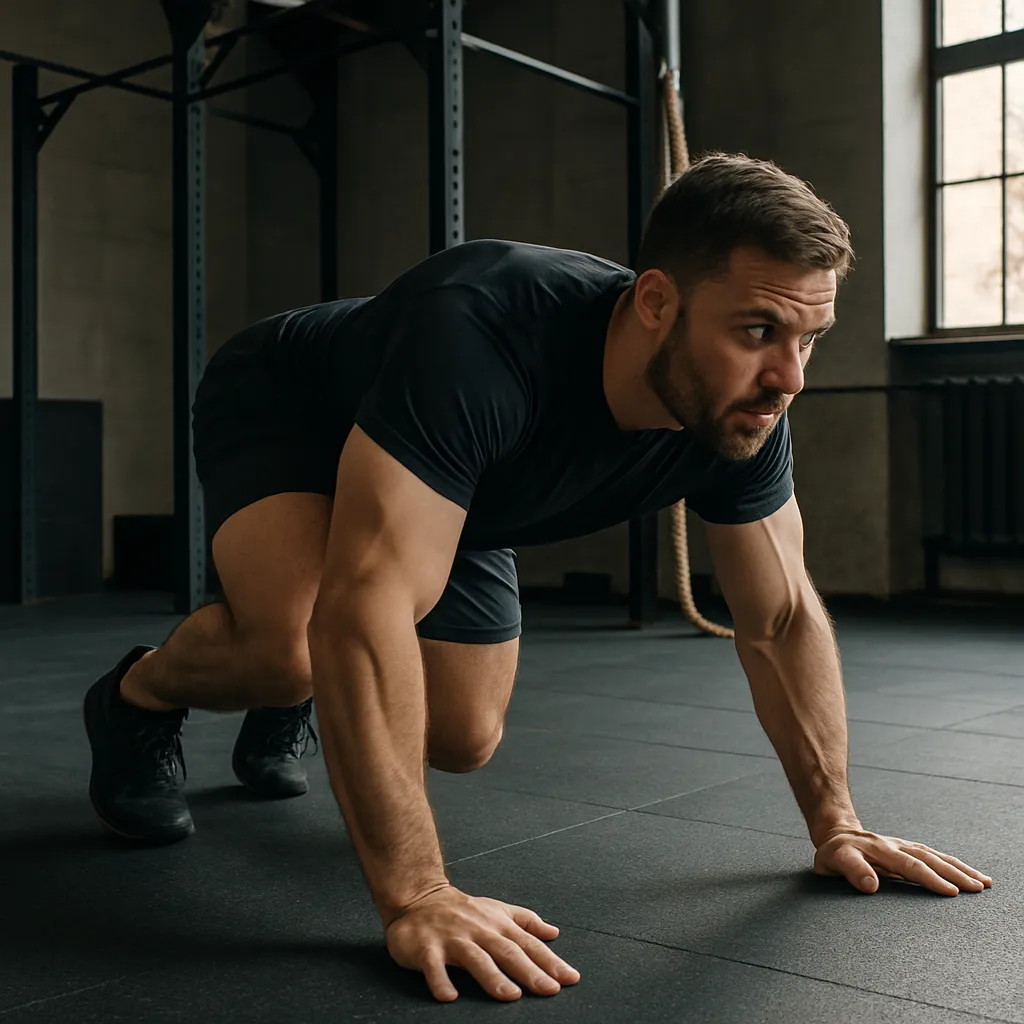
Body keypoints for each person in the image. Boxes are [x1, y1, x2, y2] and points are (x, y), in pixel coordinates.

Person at [82, 152, 993, 1004]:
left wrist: (838, 823)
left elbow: (782, 618)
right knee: (291, 647)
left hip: (456, 480)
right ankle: (140, 695)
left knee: (464, 734)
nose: (788, 376)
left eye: (811, 337)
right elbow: (367, 611)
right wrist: (417, 896)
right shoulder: (479, 334)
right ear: (655, 303)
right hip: (302, 412)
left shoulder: (744, 406)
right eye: (758, 329)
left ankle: (294, 690)